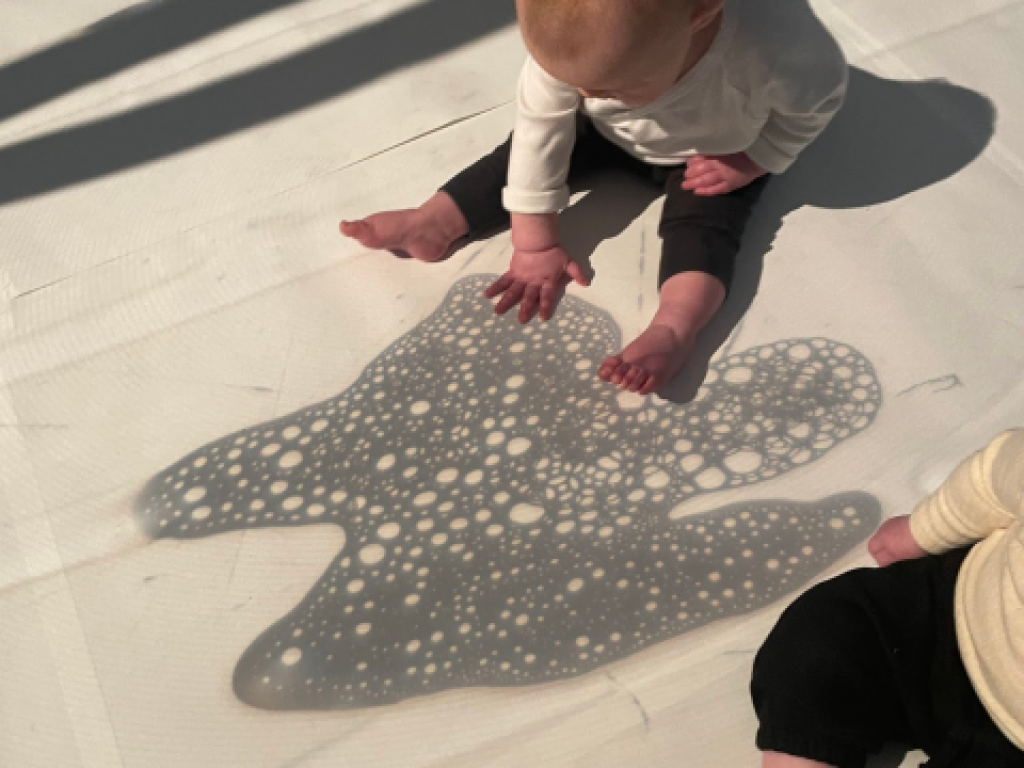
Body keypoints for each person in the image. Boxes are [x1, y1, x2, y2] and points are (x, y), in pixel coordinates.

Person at [341, 0, 847, 395]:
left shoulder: (780, 45)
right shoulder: (577, 56)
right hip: (603, 137)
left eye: (616, 86)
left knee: (705, 229)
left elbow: (815, 106)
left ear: (701, 15)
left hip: (715, 155)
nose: (589, 91)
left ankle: (674, 328)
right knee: (518, 156)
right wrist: (534, 243)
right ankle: (436, 219)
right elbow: (542, 132)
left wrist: (756, 159)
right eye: (575, 82)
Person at [752, 429, 1024, 768]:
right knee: (825, 633)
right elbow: (996, 474)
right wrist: (925, 530)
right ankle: (802, 752)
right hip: (958, 614)